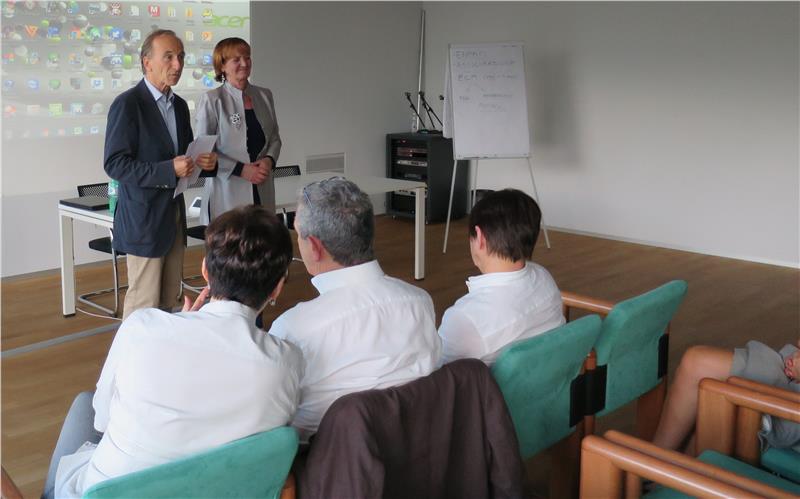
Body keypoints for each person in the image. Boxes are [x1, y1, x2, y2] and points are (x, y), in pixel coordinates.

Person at [43, 205, 304, 499]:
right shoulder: (286, 362)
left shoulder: (141, 328)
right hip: (215, 490)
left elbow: (102, 420)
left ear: (205, 270)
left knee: (86, 403)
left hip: (112, 491)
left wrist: (181, 326)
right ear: (278, 287)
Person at [269, 177, 441, 441]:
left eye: (298, 233)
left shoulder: (293, 328)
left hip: (332, 457)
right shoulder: (420, 301)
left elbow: (282, 424)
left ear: (314, 247)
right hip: (419, 444)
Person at [104, 29, 218, 320]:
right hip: (143, 221)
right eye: (168, 57)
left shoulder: (178, 106)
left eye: (181, 56)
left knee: (169, 303)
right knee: (143, 307)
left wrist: (202, 161)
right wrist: (169, 169)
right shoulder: (128, 104)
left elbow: (183, 157)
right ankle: (132, 352)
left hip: (173, 217)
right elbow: (115, 164)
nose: (177, 64)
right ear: (147, 62)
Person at [438, 189, 565, 366]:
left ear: (480, 237)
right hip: (551, 379)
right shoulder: (543, 277)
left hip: (491, 386)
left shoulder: (464, 319)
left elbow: (435, 374)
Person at [652, 340, 800, 452]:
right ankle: (657, 463)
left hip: (790, 405)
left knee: (708, 394)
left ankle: (654, 465)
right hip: (786, 372)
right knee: (698, 370)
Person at [195, 37, 281, 224]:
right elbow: (204, 152)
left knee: (264, 238)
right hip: (227, 190)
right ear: (222, 66)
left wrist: (269, 160)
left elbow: (274, 137)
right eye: (236, 59)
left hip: (262, 185)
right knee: (233, 240)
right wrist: (241, 170)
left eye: (247, 57)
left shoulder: (264, 95)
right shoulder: (212, 99)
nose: (244, 63)